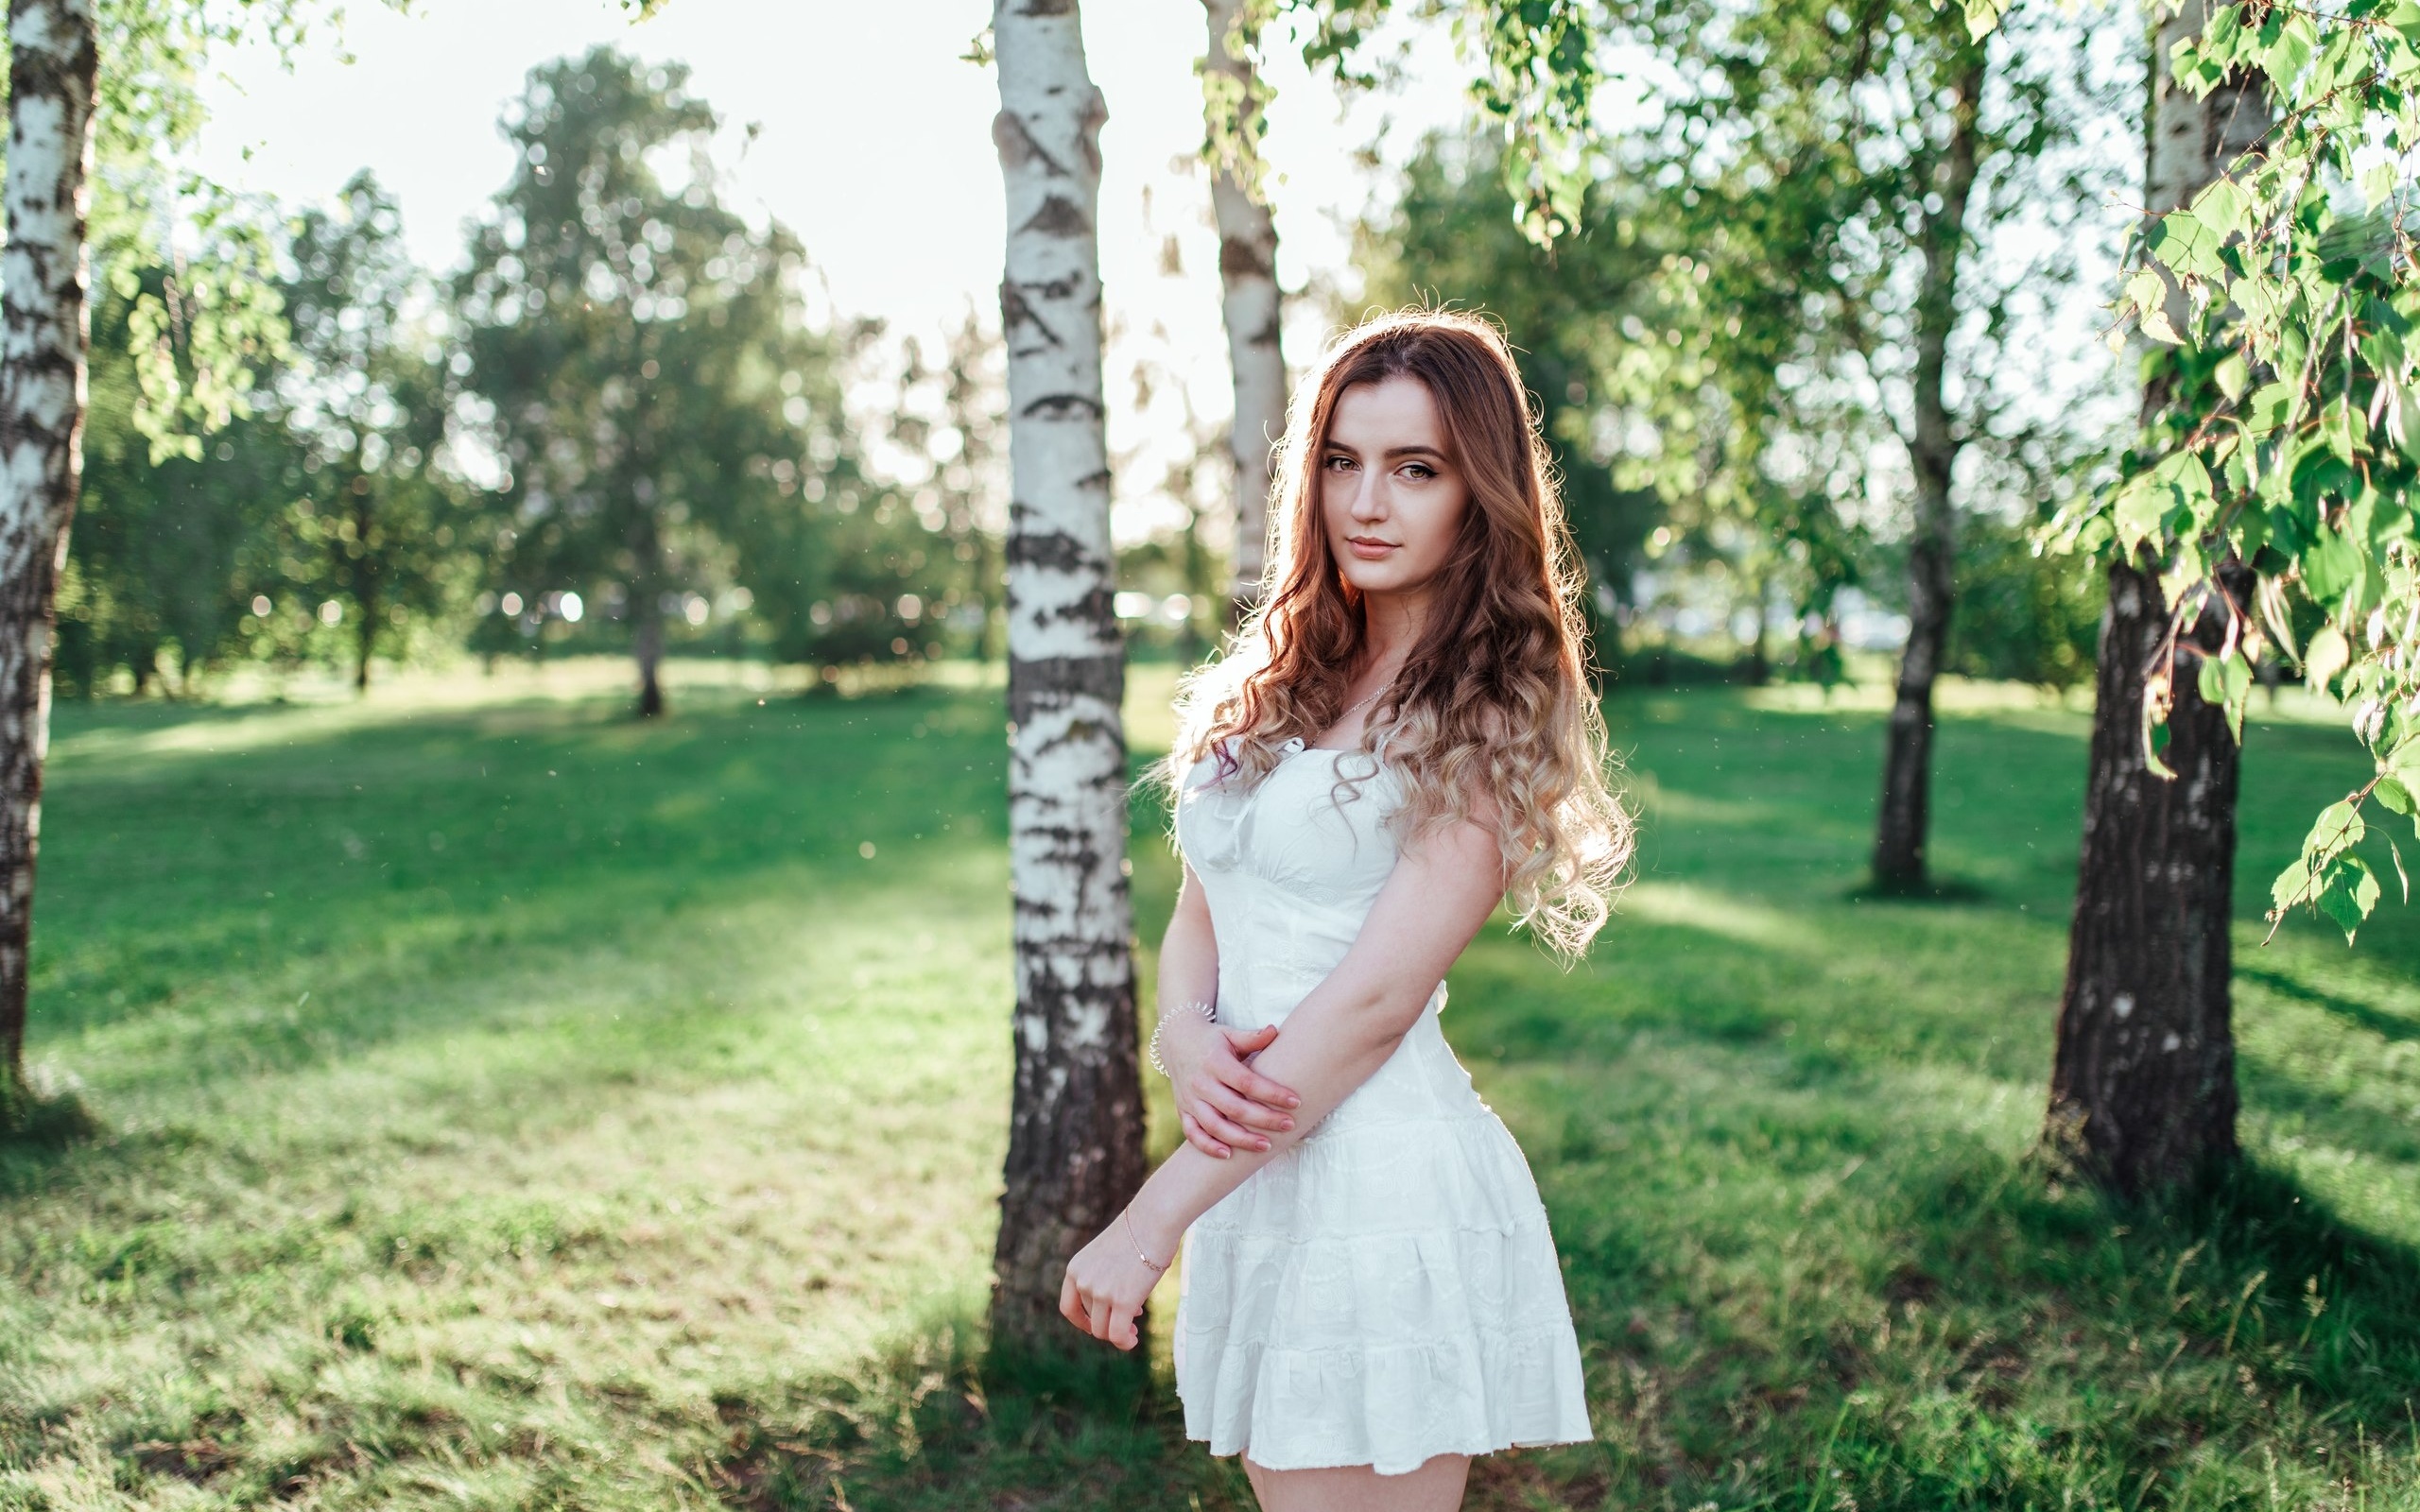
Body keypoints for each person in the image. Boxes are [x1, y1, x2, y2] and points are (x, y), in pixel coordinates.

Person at [1059, 310, 1634, 1511]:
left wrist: (1146, 1219)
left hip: (1379, 1185)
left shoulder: (1489, 710)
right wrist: (1180, 1035)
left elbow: (1372, 1004)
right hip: (1255, 1175)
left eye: (1414, 469)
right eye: (1341, 460)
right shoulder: (1286, 675)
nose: (1366, 501)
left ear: (1476, 494)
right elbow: (1205, 898)